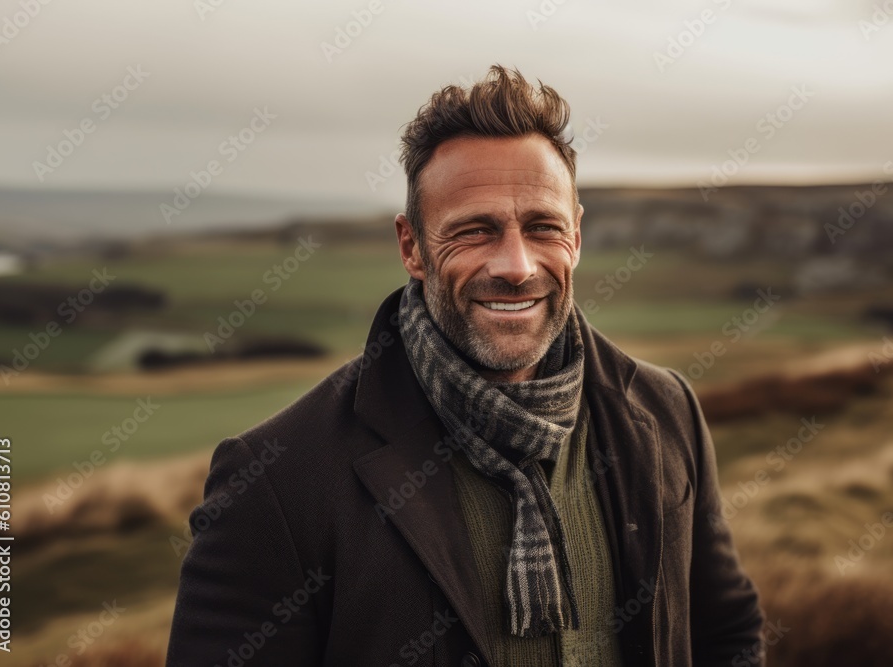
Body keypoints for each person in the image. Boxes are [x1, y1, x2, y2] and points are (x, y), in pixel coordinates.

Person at [166, 64, 765, 667]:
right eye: (475, 231)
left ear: (576, 237)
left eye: (542, 228)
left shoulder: (667, 412)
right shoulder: (275, 481)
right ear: (412, 247)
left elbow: (726, 630)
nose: (516, 266)